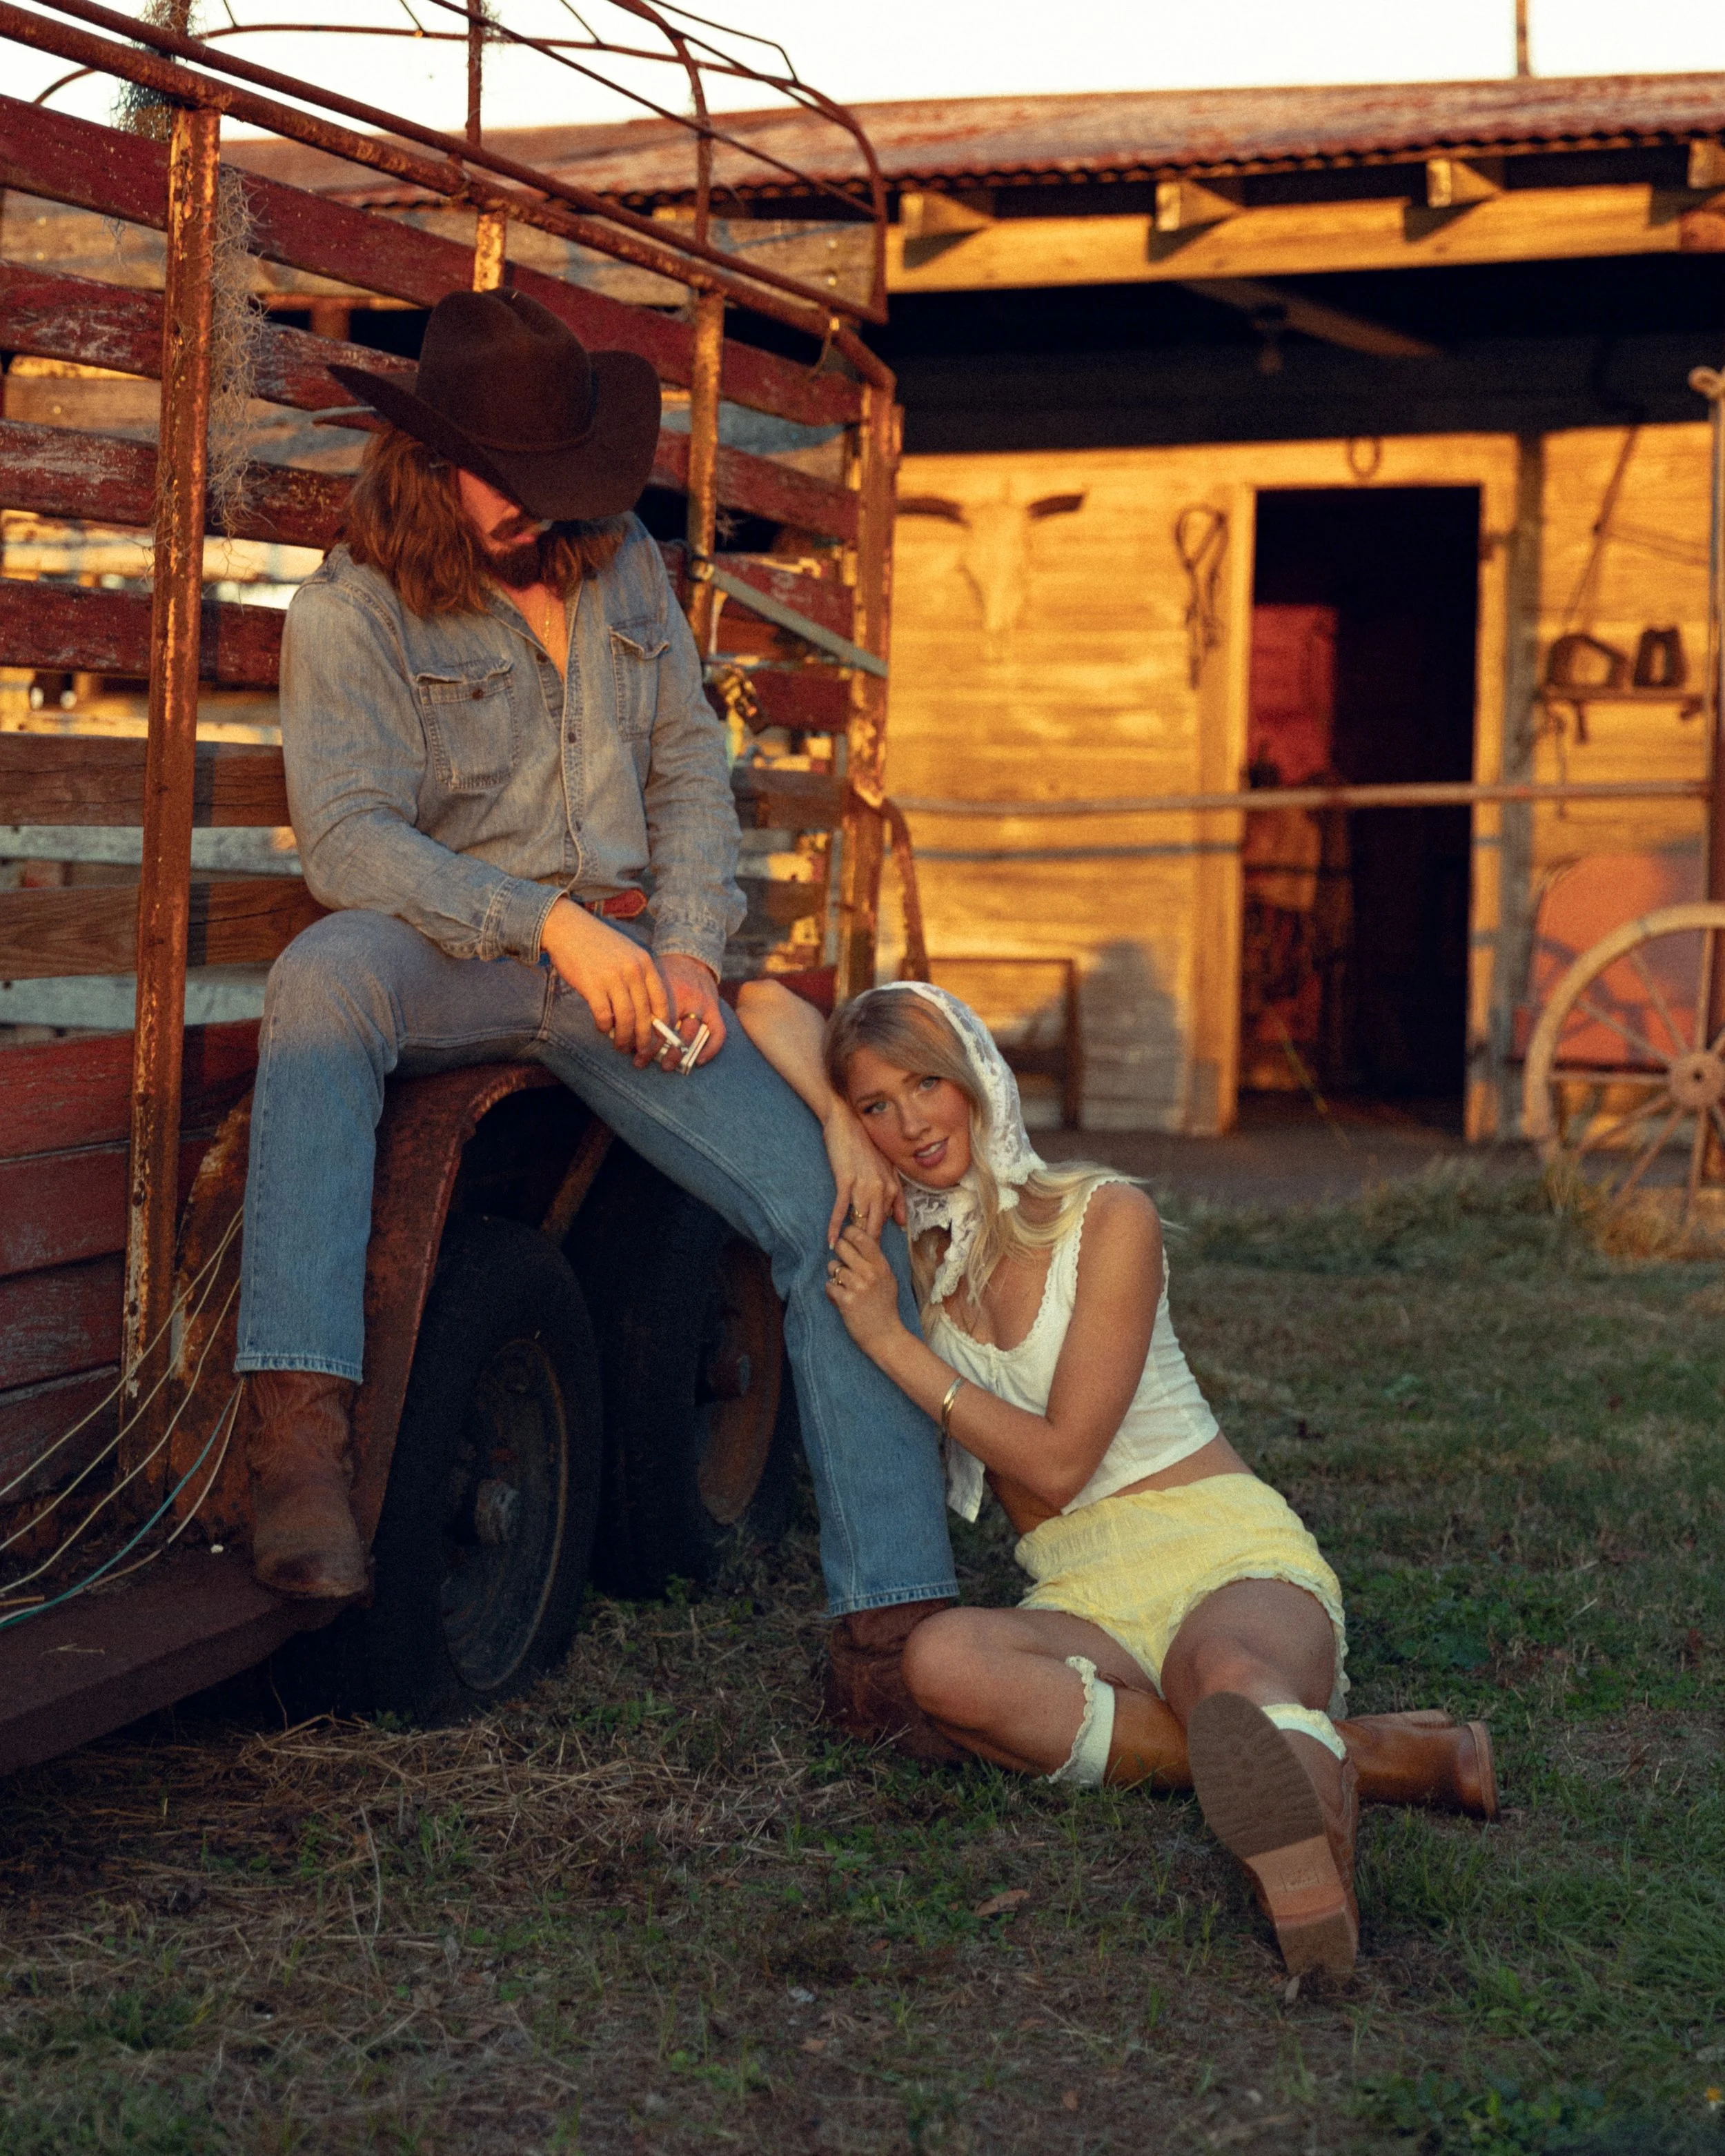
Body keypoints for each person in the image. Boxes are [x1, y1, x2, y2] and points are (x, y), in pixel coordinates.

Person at [235, 288, 959, 1759]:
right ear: (431, 463)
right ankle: (300, 1438)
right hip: (472, 950)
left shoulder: (619, 559)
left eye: (560, 483)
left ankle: (893, 1627)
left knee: (832, 1203)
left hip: (630, 965)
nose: (537, 512)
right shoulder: (353, 604)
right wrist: (544, 921)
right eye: (511, 481)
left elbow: (692, 766)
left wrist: (687, 952)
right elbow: (351, 844)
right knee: (323, 977)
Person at [736, 977, 1497, 1977]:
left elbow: (1061, 1458)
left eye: (927, 1084)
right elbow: (756, 1000)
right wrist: (837, 1125)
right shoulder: (919, 1263)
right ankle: (1378, 1756)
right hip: (1079, 1591)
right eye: (879, 1104)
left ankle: (1309, 1863)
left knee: (1220, 1674)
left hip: (1218, 1550)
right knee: (943, 1663)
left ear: (977, 1077)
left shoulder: (1107, 1216)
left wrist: (889, 1342)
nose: (909, 1124)